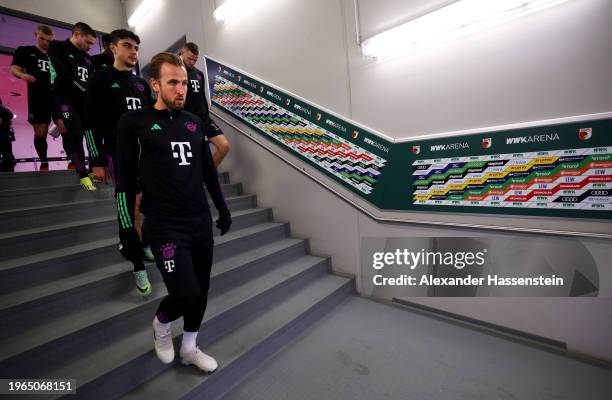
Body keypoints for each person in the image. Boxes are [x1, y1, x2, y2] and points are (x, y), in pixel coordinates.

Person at [115, 52, 232, 372]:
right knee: (187, 292)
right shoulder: (134, 123)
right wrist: (127, 229)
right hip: (164, 225)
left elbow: (209, 172)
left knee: (202, 289)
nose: (181, 89)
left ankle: (190, 347)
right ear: (155, 85)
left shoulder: (194, 123)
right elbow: (123, 183)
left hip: (199, 221)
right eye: (173, 83)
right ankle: (162, 323)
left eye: (184, 83)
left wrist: (222, 207)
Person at [84, 29, 154, 295]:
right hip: (117, 155)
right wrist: (96, 160)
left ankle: (144, 241)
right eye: (127, 46)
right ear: (113, 48)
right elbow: (90, 124)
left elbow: (151, 122)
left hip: (145, 156)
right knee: (130, 209)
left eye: (136, 47)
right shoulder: (100, 79)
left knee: (144, 206)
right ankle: (137, 263)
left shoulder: (142, 85)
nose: (134, 51)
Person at [47, 22, 97, 190]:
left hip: (85, 103)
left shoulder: (89, 59)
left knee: (91, 135)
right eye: (88, 42)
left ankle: (91, 171)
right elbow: (63, 75)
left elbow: (92, 83)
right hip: (65, 100)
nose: (90, 47)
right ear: (76, 34)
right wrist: (85, 91)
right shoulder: (57, 47)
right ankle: (82, 174)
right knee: (75, 134)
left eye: (92, 43)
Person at [10, 25, 65, 172]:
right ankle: (44, 163)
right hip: (37, 98)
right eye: (42, 39)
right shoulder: (25, 51)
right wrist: (22, 75)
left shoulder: (56, 55)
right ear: (36, 35)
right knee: (40, 132)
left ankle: (73, 161)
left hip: (57, 97)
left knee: (65, 127)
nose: (46, 43)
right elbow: (14, 68)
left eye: (49, 40)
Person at [179, 42, 229, 167]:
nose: (192, 62)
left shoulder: (199, 74)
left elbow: (201, 96)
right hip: (187, 119)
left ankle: (207, 176)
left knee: (224, 146)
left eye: (195, 60)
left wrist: (206, 113)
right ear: (182, 53)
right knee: (197, 153)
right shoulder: (176, 72)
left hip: (203, 118)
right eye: (189, 58)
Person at [0, 97, 16, 173]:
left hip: (4, 135)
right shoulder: (5, 111)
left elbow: (11, 115)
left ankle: (7, 169)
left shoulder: (4, 111)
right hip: (5, 135)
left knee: (7, 153)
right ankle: (8, 169)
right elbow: (11, 115)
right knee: (7, 153)